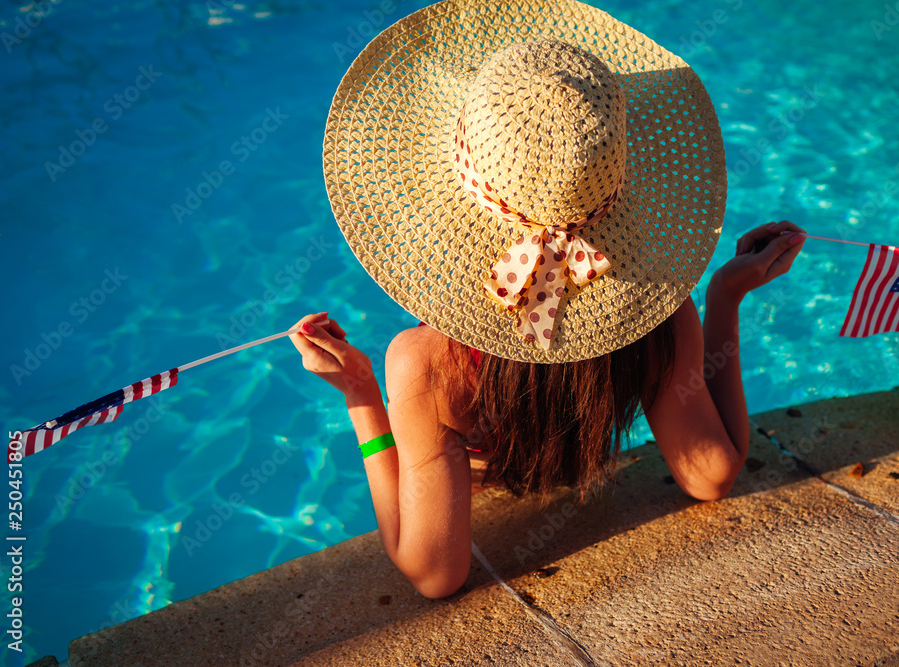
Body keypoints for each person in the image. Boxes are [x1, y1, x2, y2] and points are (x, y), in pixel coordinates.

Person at [289, 1, 806, 599]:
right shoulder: (658, 310)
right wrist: (724, 296)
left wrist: (360, 396)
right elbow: (711, 475)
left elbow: (434, 574)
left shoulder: (425, 363)